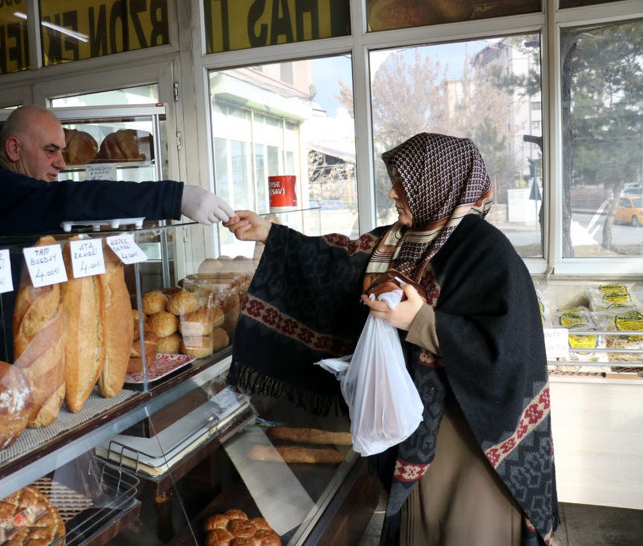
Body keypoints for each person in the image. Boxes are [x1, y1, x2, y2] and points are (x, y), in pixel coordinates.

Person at [224, 133, 558, 545]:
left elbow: (507, 352)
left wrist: (421, 320)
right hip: (416, 427)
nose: (393, 191)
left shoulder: (485, 252)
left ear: (436, 186)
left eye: (404, 182)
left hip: (470, 437)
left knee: (463, 528)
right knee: (421, 526)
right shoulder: (404, 240)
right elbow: (342, 259)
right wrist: (270, 234)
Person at [0, 104, 234, 359]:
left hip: (11, 344)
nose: (62, 163)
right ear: (14, 149)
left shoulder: (14, 195)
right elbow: (71, 199)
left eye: (63, 152)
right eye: (50, 151)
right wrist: (175, 197)